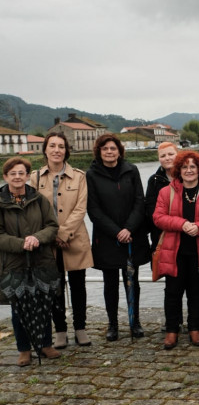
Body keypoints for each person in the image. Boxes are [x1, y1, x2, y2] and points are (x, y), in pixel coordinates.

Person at [153, 151, 199, 349]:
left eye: (193, 167)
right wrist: (182, 224)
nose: (189, 170)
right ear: (178, 170)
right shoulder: (166, 192)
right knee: (173, 292)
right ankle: (172, 331)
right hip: (174, 252)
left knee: (198, 292)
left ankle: (195, 328)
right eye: (185, 167)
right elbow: (158, 217)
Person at [30, 133, 94, 349]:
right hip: (48, 243)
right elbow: (33, 211)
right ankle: (60, 330)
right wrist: (53, 235)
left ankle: (80, 328)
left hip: (74, 238)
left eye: (61, 146)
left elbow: (81, 207)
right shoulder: (35, 178)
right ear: (45, 150)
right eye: (52, 146)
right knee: (53, 287)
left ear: (67, 150)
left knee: (78, 286)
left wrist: (64, 233)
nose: (57, 150)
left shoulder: (79, 176)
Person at [86, 134, 151, 341]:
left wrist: (129, 228)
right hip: (107, 238)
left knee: (132, 281)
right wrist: (116, 231)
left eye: (113, 148)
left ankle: (135, 322)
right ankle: (112, 324)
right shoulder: (91, 174)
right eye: (105, 149)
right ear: (99, 151)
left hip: (132, 236)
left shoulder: (131, 170)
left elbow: (139, 202)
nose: (109, 152)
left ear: (119, 151)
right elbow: (93, 209)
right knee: (110, 283)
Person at [0, 157, 61, 366]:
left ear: (28, 176)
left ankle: (45, 345)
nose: (17, 177)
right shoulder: (0, 202)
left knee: (43, 303)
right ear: (5, 176)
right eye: (13, 173)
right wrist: (20, 243)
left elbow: (52, 226)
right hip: (14, 263)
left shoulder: (39, 199)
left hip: (41, 260)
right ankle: (24, 350)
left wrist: (38, 238)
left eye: (21, 173)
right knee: (19, 308)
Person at [145, 141, 179, 332]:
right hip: (163, 237)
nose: (167, 158)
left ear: (177, 154)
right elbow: (150, 210)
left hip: (187, 236)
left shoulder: (188, 174)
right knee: (171, 284)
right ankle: (172, 323)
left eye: (170, 154)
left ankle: (192, 323)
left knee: (191, 282)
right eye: (163, 155)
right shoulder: (154, 180)